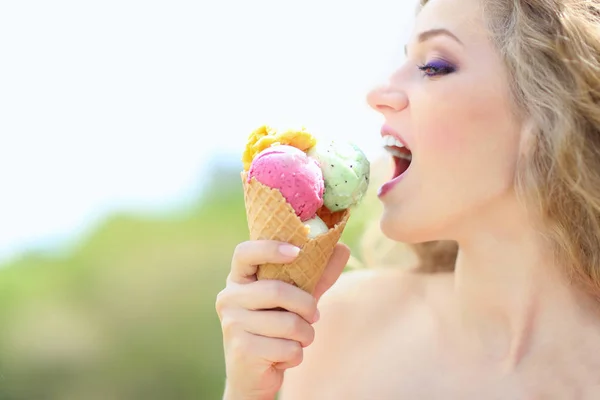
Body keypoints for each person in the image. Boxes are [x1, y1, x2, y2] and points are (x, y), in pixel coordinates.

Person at [215, 0, 600, 398]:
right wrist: (246, 391)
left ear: (549, 112)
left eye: (433, 66)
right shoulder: (331, 329)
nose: (378, 93)